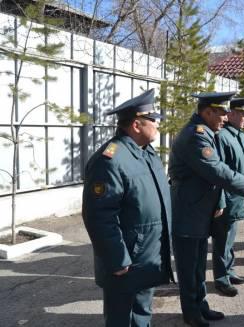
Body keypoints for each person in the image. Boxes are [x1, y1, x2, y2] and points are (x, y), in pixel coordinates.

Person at [82, 89, 174, 327]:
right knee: (121, 318)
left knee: (142, 313)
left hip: (146, 255)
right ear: (136, 124)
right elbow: (99, 217)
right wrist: (118, 259)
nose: (157, 125)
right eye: (153, 120)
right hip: (126, 262)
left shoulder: (146, 153)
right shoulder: (110, 160)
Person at [168, 91, 244, 327]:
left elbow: (213, 175)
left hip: (198, 210)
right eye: (221, 113)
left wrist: (220, 201)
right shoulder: (196, 135)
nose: (225, 118)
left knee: (197, 266)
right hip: (188, 212)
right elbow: (216, 170)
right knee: (188, 268)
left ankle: (201, 306)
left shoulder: (207, 131)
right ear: (207, 112)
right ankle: (191, 313)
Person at [211, 96, 244, 297]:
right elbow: (219, 174)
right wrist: (220, 200)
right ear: (232, 114)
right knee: (222, 241)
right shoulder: (223, 137)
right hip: (227, 199)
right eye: (243, 114)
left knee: (230, 238)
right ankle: (221, 279)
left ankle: (229, 271)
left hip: (238, 200)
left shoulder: (241, 136)